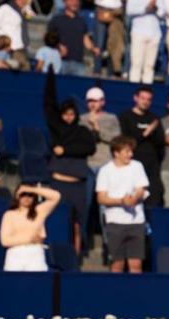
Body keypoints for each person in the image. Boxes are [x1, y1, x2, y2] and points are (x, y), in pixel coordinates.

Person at [44, 70, 96, 253]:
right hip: (58, 182)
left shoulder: (82, 131)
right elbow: (48, 105)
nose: (68, 117)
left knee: (77, 223)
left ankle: (76, 256)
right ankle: (55, 253)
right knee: (56, 219)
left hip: (78, 185)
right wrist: (50, 78)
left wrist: (65, 150)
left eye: (71, 114)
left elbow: (90, 148)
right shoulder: (56, 128)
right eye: (65, 114)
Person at [95, 136, 150, 273]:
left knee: (136, 264)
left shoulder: (137, 166)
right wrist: (121, 201)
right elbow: (101, 198)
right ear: (116, 152)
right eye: (127, 151)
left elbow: (141, 189)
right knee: (117, 264)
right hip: (115, 223)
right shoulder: (105, 171)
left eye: (131, 151)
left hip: (136, 222)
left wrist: (134, 198)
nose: (130, 154)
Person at [119, 86, 166, 206]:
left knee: (154, 199)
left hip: (152, 169)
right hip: (132, 166)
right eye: (143, 98)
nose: (145, 102)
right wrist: (145, 133)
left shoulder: (154, 119)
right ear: (135, 98)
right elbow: (126, 141)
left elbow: (160, 142)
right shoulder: (125, 117)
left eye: (148, 99)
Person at [0, 185, 60, 272]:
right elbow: (5, 241)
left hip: (35, 254)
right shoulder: (9, 214)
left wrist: (31, 189)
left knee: (37, 283)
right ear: (17, 196)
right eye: (23, 194)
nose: (27, 197)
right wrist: (30, 239)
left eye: (30, 195)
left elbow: (56, 196)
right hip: (15, 254)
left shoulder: (39, 211)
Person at [48, 0, 102, 76]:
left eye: (77, 1)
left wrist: (93, 49)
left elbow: (85, 38)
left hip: (78, 63)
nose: (75, 3)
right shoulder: (56, 20)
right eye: (72, 1)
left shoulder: (82, 21)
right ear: (65, 2)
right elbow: (49, 38)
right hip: (59, 61)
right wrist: (59, 47)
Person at [0, 0, 30, 69]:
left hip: (22, 52)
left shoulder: (23, 11)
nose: (25, 1)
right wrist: (0, 42)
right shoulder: (5, 9)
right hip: (11, 52)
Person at [127, 0, 165, 83]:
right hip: (138, 32)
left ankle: (147, 87)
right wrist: (146, 9)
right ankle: (134, 86)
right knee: (136, 63)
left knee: (150, 66)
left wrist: (156, 9)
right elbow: (129, 10)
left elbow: (162, 13)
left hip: (154, 34)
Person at [83, 86, 120, 171]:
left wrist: (96, 127)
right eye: (90, 101)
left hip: (105, 162)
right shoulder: (82, 119)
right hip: (87, 162)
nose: (92, 104)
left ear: (102, 102)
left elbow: (116, 139)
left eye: (95, 101)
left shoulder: (111, 118)